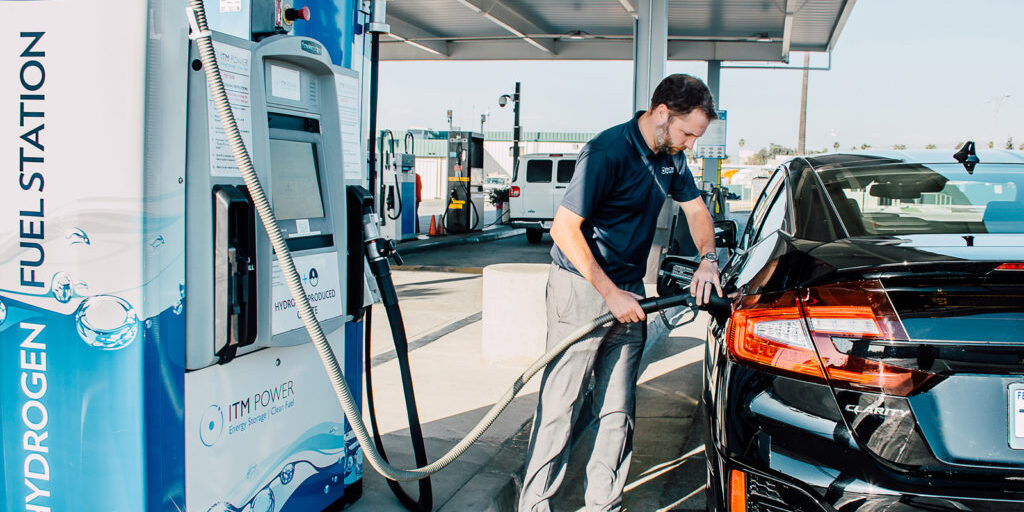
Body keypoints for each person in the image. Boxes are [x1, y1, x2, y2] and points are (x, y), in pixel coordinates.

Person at [518, 74, 722, 512]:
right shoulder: (607, 151)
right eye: (688, 133)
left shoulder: (672, 159)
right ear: (663, 113)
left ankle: (604, 504)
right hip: (582, 287)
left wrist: (708, 258)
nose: (690, 144)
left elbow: (696, 211)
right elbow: (563, 229)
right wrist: (610, 293)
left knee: (617, 408)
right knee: (562, 404)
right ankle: (534, 505)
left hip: (629, 293)